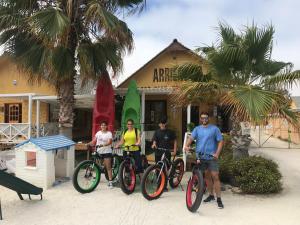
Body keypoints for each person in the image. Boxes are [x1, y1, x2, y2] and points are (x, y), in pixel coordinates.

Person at [184, 112, 224, 209]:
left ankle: (219, 199)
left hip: (212, 157)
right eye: (202, 118)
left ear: (208, 118)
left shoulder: (214, 129)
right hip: (201, 157)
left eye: (206, 118)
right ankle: (211, 195)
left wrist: (217, 153)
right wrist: (186, 145)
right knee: (207, 177)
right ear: (200, 119)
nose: (204, 119)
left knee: (215, 176)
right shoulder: (197, 129)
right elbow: (191, 138)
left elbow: (221, 141)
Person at [152, 117, 177, 191]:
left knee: (165, 169)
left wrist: (175, 150)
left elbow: (175, 140)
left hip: (166, 152)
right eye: (160, 123)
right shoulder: (156, 132)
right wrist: (154, 144)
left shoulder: (170, 132)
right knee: (157, 169)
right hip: (158, 152)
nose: (162, 124)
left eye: (163, 123)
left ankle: (165, 186)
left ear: (166, 123)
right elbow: (154, 140)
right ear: (159, 124)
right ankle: (159, 185)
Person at [88, 121, 114, 188]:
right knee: (96, 165)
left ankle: (110, 181)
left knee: (108, 167)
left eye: (104, 125)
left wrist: (103, 145)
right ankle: (96, 177)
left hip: (107, 151)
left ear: (106, 126)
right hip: (99, 151)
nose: (103, 126)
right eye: (102, 125)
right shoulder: (98, 133)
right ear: (100, 126)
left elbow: (110, 142)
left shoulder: (109, 133)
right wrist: (88, 143)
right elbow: (94, 141)